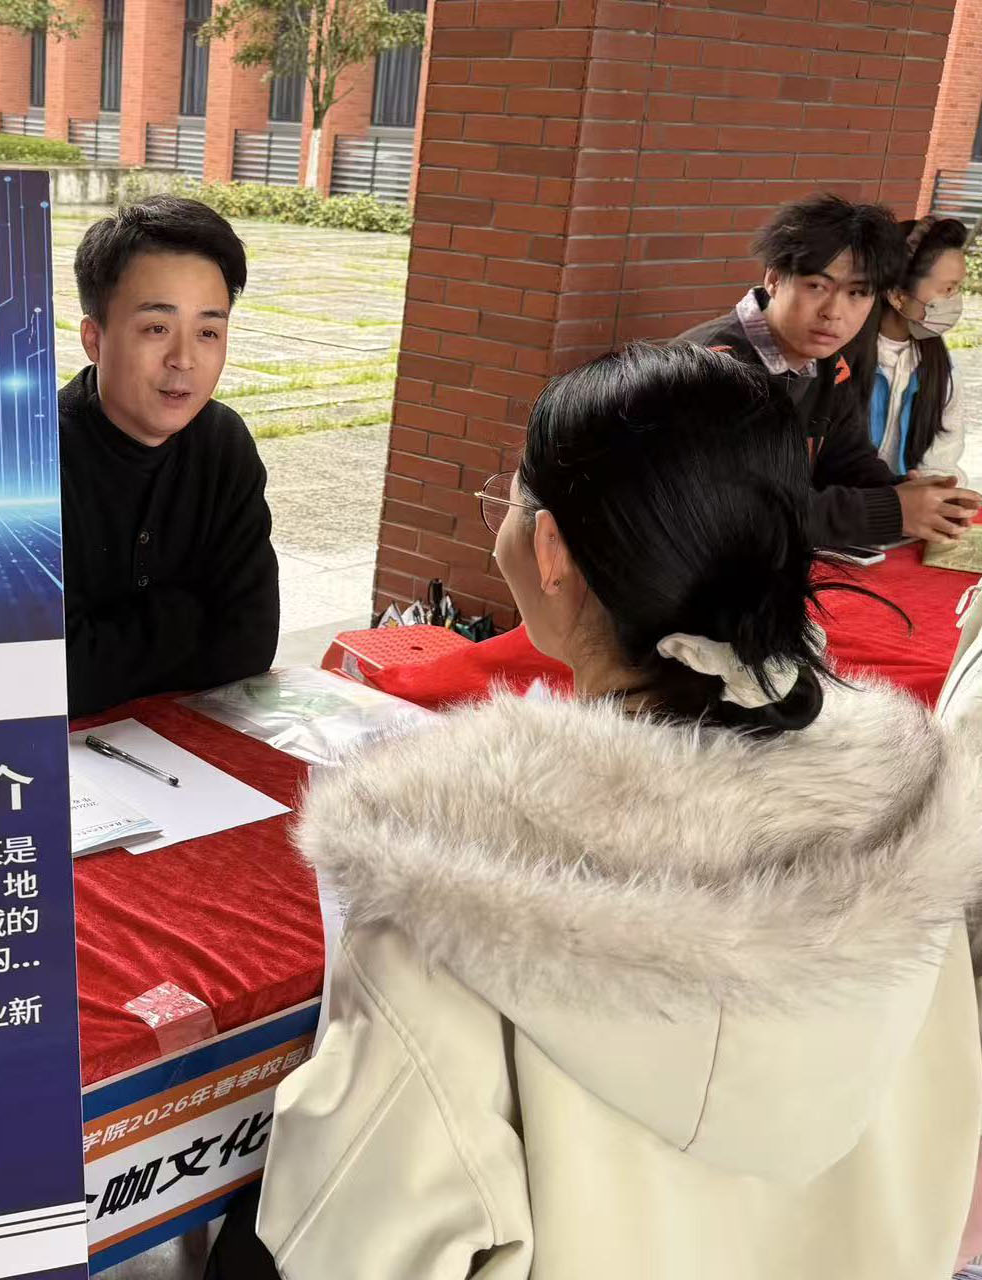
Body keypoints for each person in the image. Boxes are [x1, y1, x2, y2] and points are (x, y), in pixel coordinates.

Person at [246, 343, 982, 1279]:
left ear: (551, 551)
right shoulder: (912, 826)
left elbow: (350, 1242)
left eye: (513, 501)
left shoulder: (450, 901)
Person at [59, 196, 278, 716]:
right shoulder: (32, 457)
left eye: (208, 332)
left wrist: (112, 641)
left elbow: (250, 646)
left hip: (192, 745)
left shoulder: (224, 443)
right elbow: (57, 676)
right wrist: (187, 616)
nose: (184, 359)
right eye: (157, 328)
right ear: (94, 338)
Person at [681, 193, 978, 546]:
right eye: (816, 286)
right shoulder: (713, 367)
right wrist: (891, 510)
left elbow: (847, 459)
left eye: (857, 293)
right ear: (774, 278)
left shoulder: (829, 365)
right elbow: (736, 511)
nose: (834, 312)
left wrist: (906, 494)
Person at [867, 217, 971, 504]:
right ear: (898, 296)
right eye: (947, 289)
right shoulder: (844, 362)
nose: (955, 301)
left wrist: (936, 488)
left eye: (958, 288)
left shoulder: (942, 370)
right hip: (852, 511)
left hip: (911, 513)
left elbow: (943, 456)